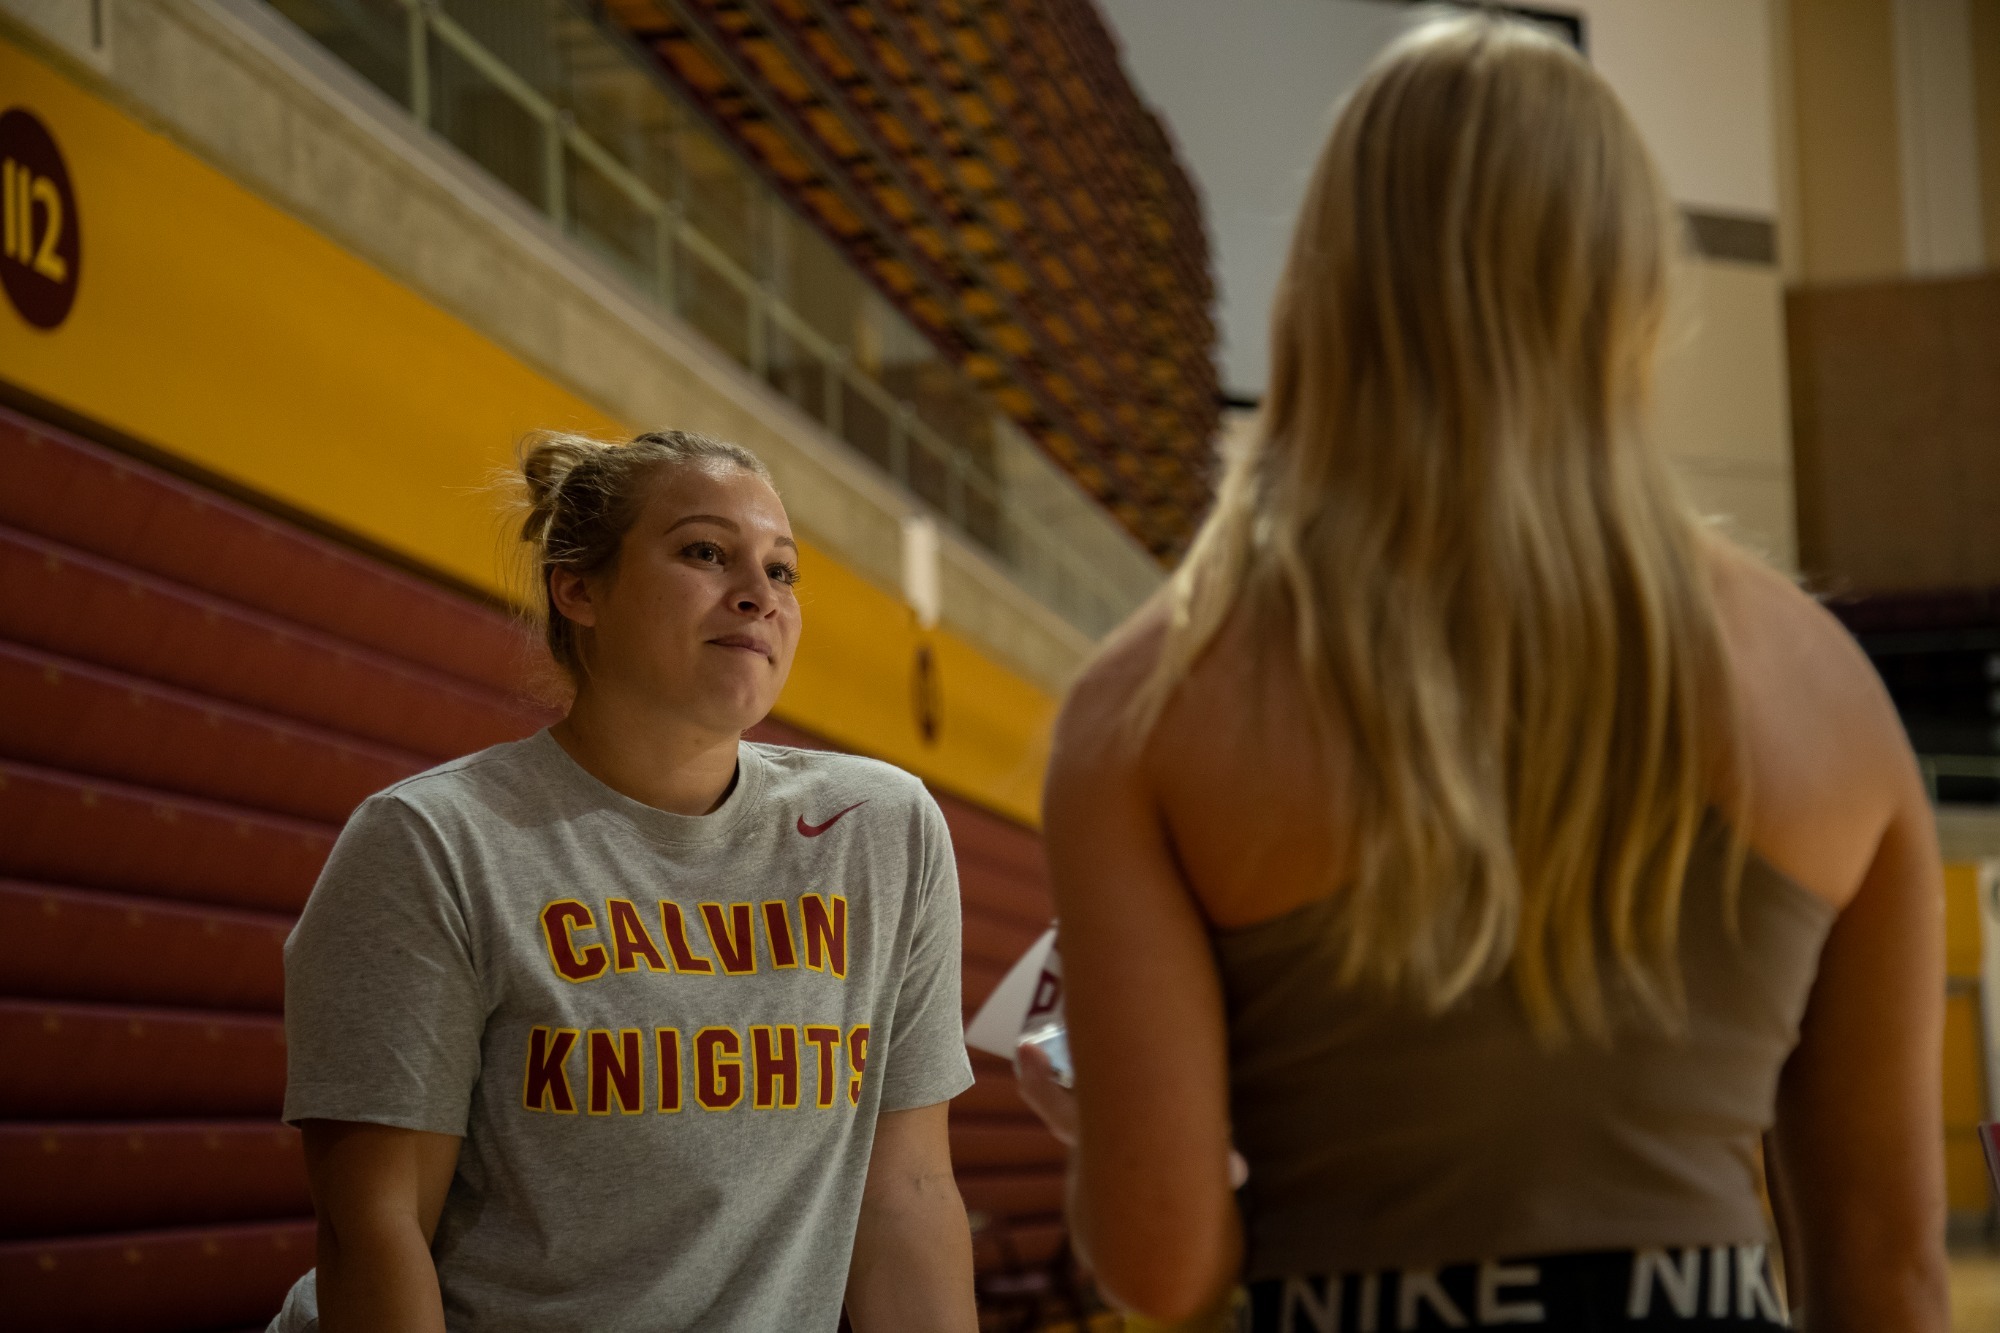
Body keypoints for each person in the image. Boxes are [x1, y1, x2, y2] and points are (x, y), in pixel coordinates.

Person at [1018, 16, 1947, 1333]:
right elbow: (1888, 1274)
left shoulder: (1152, 702)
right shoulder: (1824, 694)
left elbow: (1160, 1263)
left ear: (1327, 280)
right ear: (1630, 283)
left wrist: (1114, 1123)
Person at [272, 430, 978, 1332]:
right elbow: (375, 1227)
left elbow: (908, 1192)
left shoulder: (880, 830)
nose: (759, 594)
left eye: (782, 570)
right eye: (705, 552)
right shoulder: (434, 841)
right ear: (578, 589)